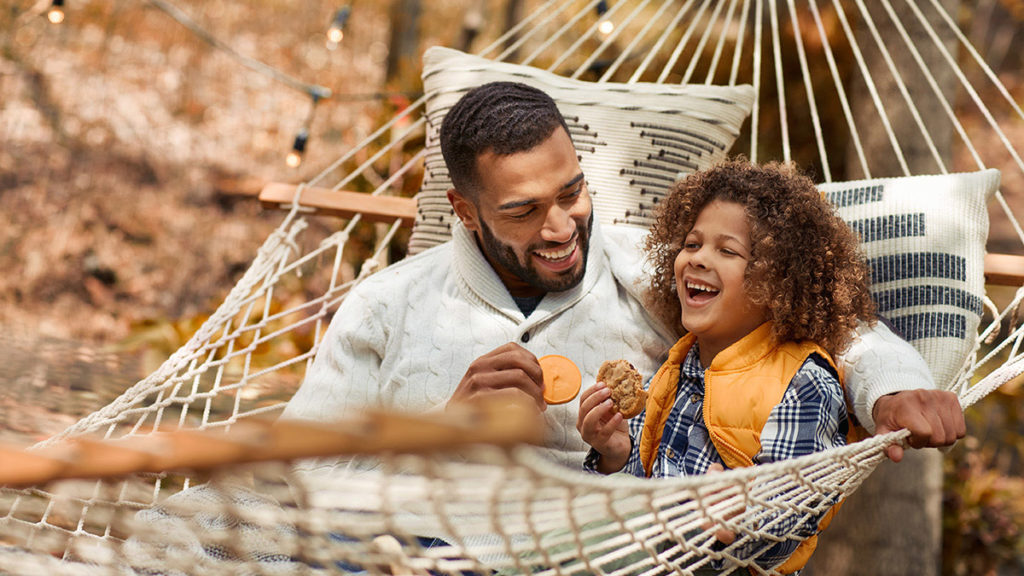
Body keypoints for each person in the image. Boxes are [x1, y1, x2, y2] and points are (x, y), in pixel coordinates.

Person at [280, 81, 965, 470]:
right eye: (522, 211)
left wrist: (891, 387)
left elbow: (822, 322)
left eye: (571, 192)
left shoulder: (654, 270)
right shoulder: (385, 305)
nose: (560, 227)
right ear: (463, 211)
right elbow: (291, 480)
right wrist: (440, 430)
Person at [577, 158, 873, 573]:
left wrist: (740, 518)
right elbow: (642, 481)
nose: (697, 259)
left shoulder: (804, 382)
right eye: (692, 244)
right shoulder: (676, 365)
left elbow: (791, 520)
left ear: (777, 281)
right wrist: (615, 452)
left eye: (727, 250)